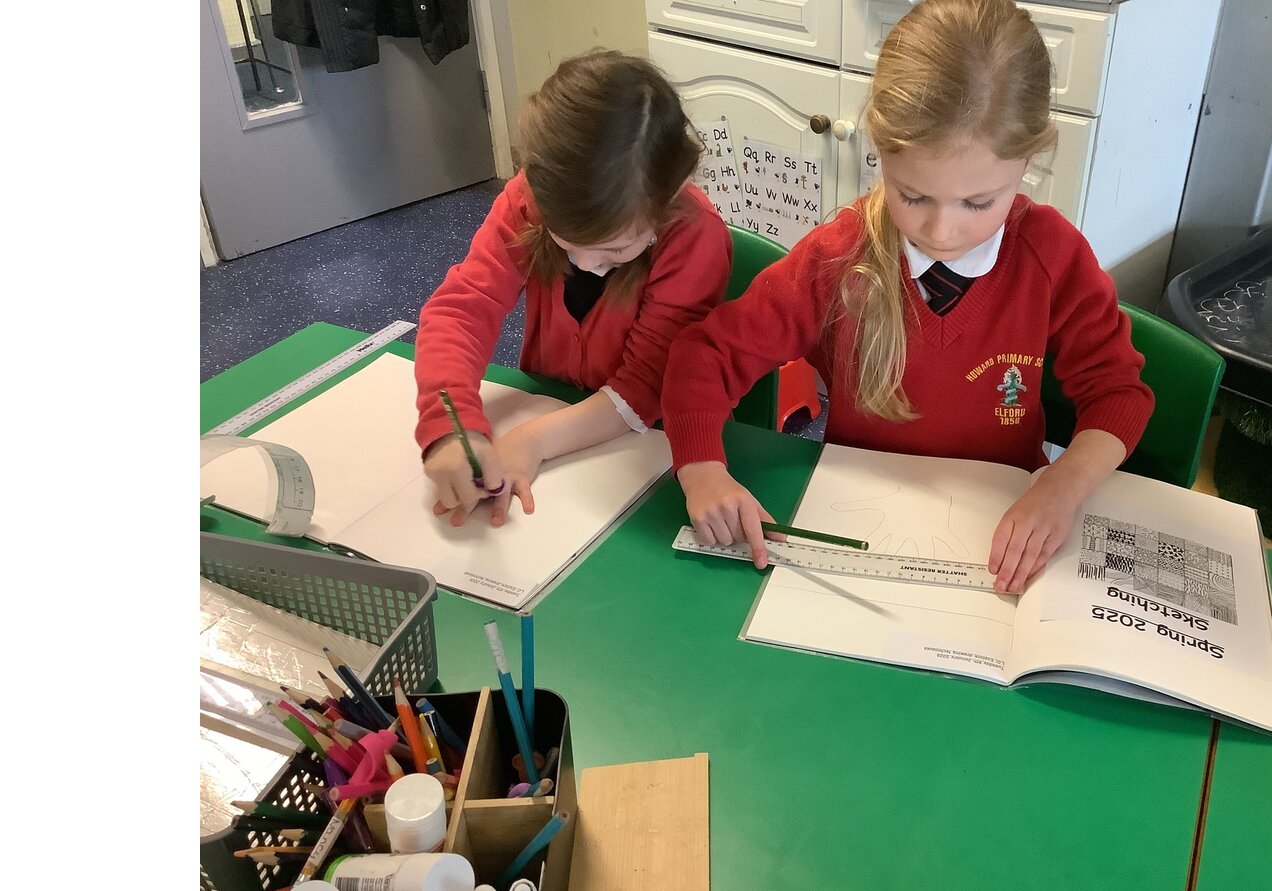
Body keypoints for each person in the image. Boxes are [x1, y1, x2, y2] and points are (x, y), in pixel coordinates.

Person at [661, 0, 1154, 593]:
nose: (942, 231)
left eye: (978, 202)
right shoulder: (838, 258)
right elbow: (705, 356)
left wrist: (1063, 484)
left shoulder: (1052, 256)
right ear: (881, 151)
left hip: (1002, 533)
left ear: (1027, 161)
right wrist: (700, 468)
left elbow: (1117, 393)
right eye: (913, 195)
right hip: (859, 523)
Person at [414, 50, 731, 527]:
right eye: (566, 241)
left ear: (666, 201)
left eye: (615, 249)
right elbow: (462, 312)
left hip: (654, 452)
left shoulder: (694, 238)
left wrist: (533, 439)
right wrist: (450, 427)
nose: (585, 265)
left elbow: (646, 386)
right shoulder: (527, 199)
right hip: (553, 412)